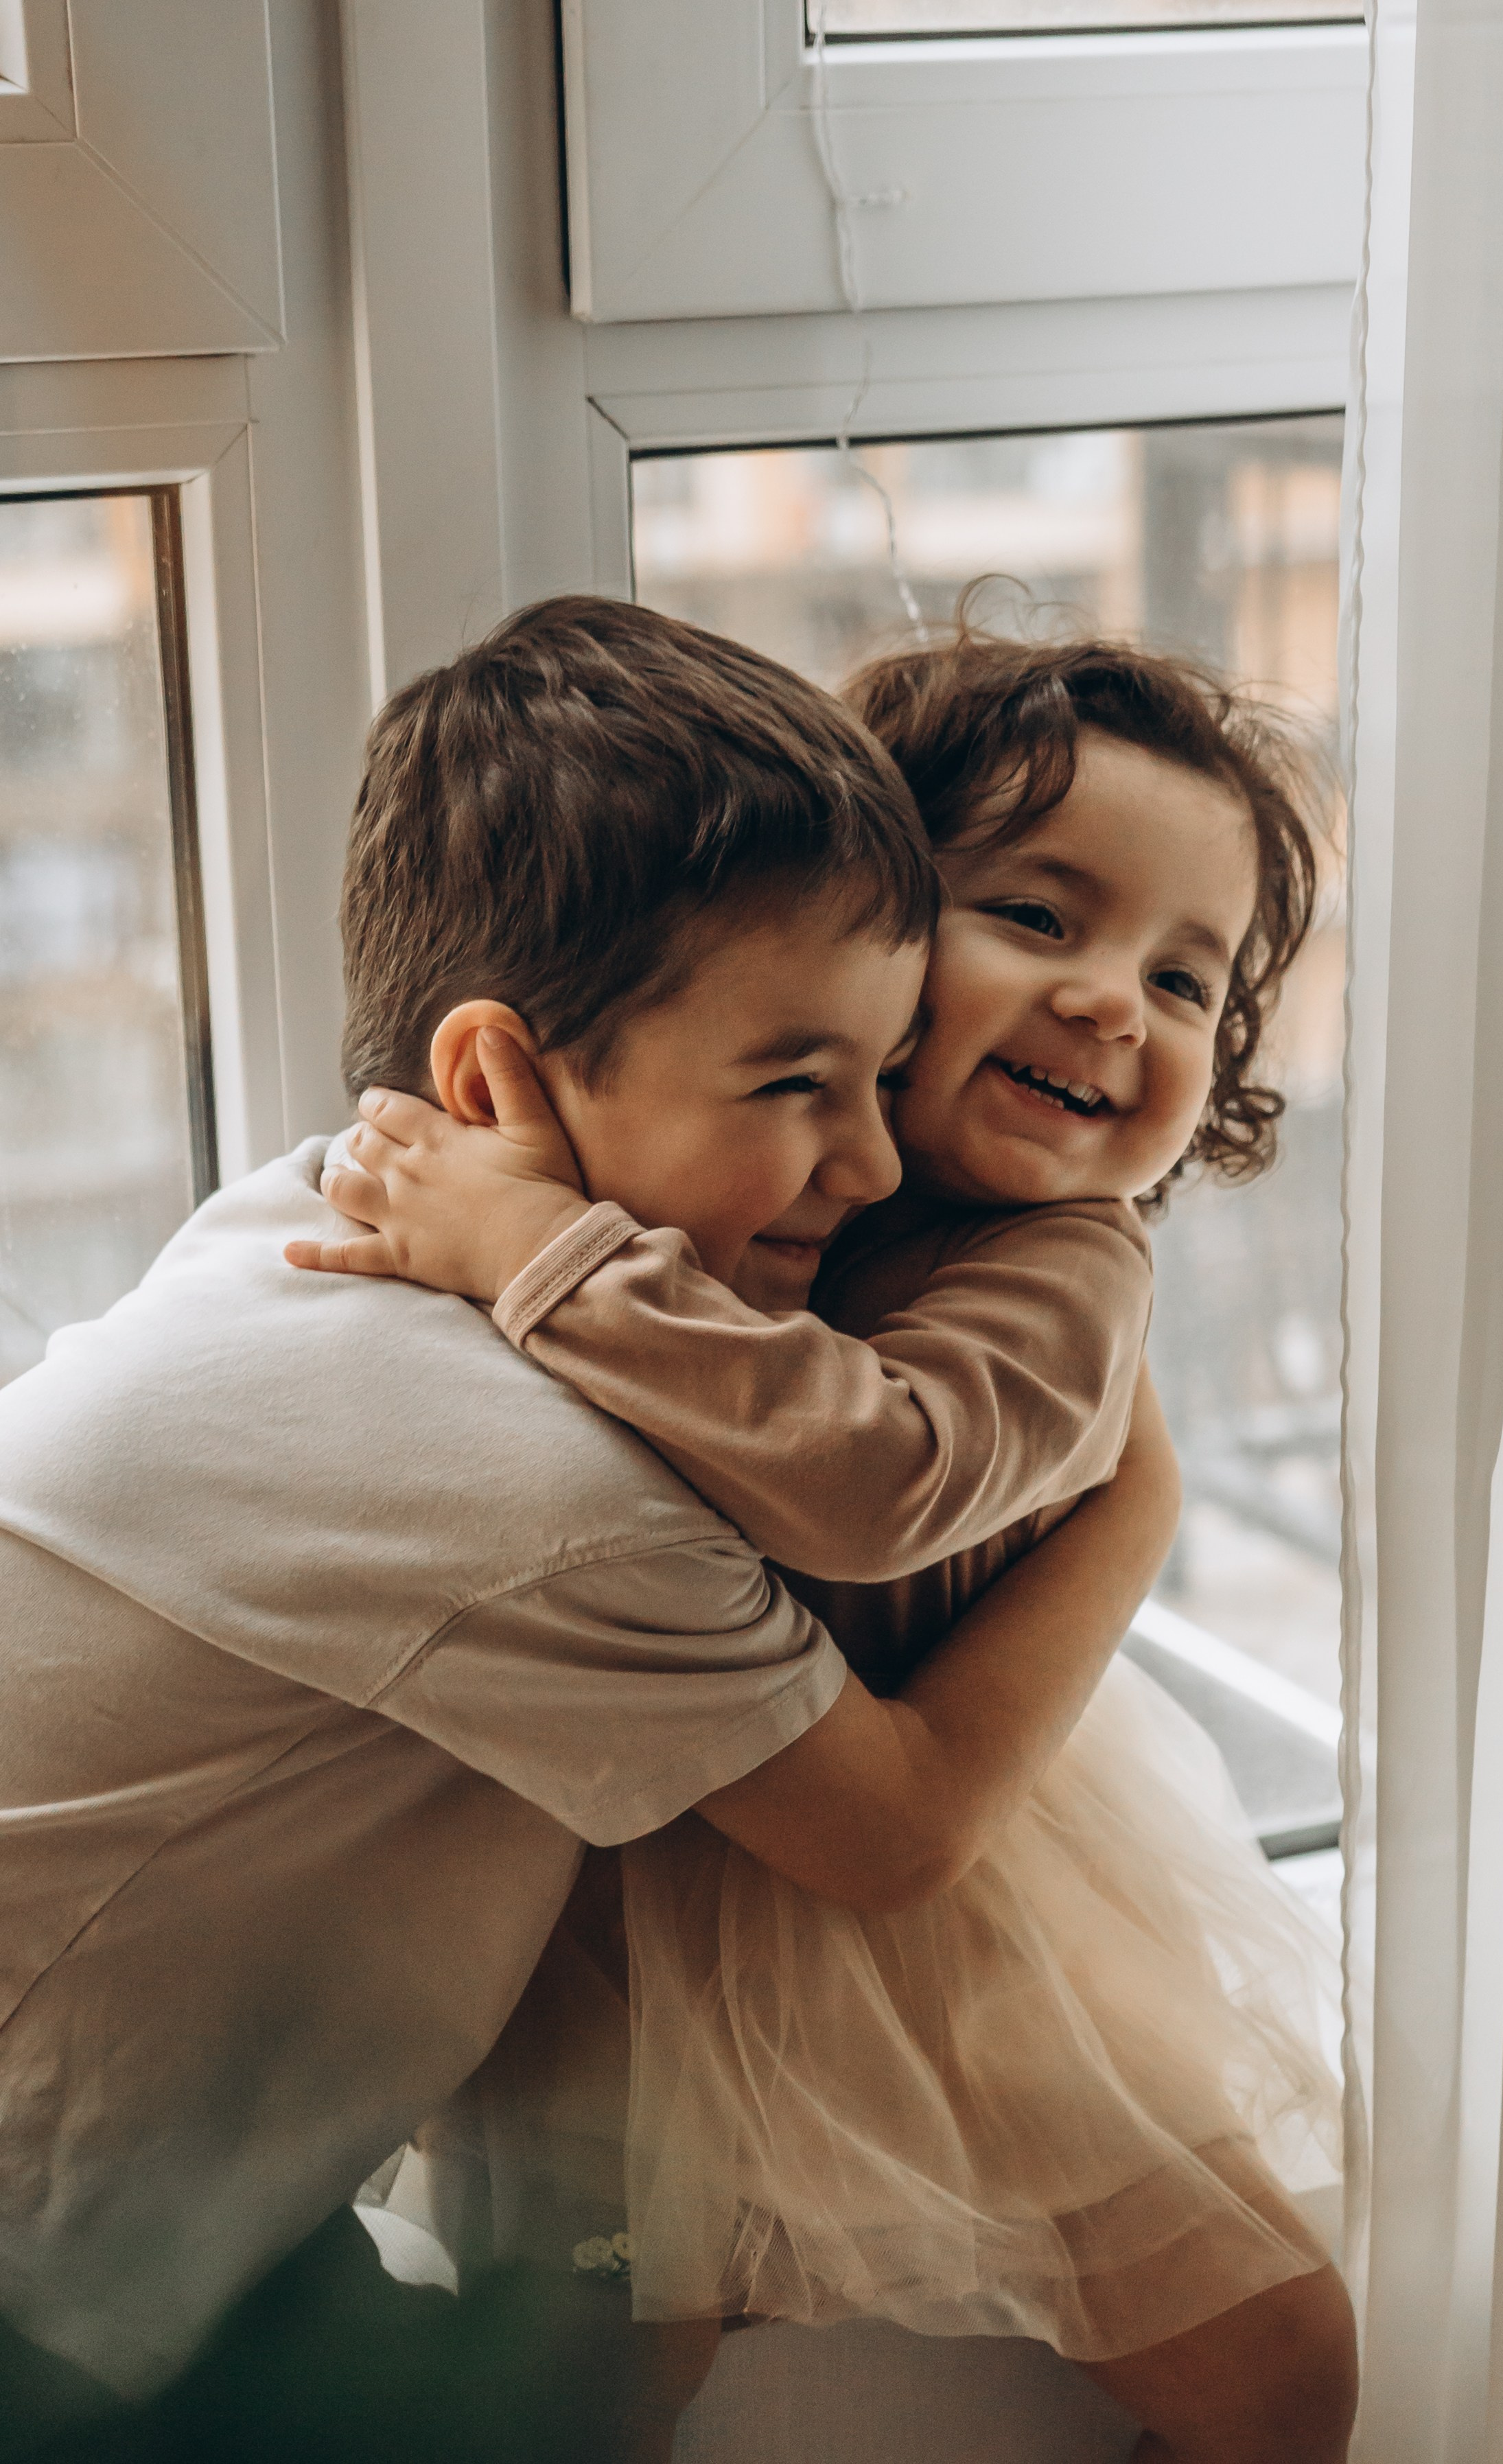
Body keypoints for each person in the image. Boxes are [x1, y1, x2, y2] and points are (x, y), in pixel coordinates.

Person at [0, 601, 1182, 2462]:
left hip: (156, 2185)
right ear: (491, 1089)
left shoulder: (304, 1221)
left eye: (885, 1077)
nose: (872, 1168)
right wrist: (1133, 1490)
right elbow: (896, 1830)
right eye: (797, 1084)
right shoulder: (517, 1477)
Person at [302, 622, 1357, 2464]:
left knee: (1273, 2359)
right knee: (588, 2364)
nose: (1120, 999)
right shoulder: (707, 1162)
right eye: (1041, 917)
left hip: (960, 1924)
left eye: (1188, 979)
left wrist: (536, 1252)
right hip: (609, 1903)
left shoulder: (1061, 1264)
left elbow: (875, 1474)